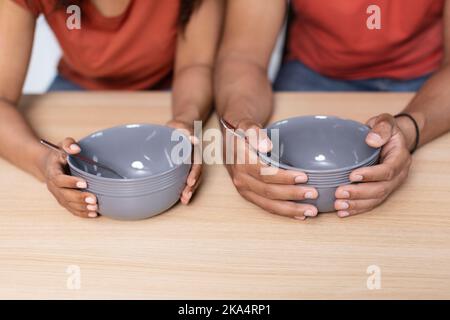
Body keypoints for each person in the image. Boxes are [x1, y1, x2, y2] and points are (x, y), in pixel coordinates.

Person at [215, 0, 450, 219]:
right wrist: (238, 125)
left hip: (427, 82)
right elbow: (243, 56)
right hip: (310, 72)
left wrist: (409, 129)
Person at [0, 0, 223, 218]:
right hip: (76, 86)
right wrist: (44, 161)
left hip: (171, 89)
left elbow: (196, 65)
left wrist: (184, 121)